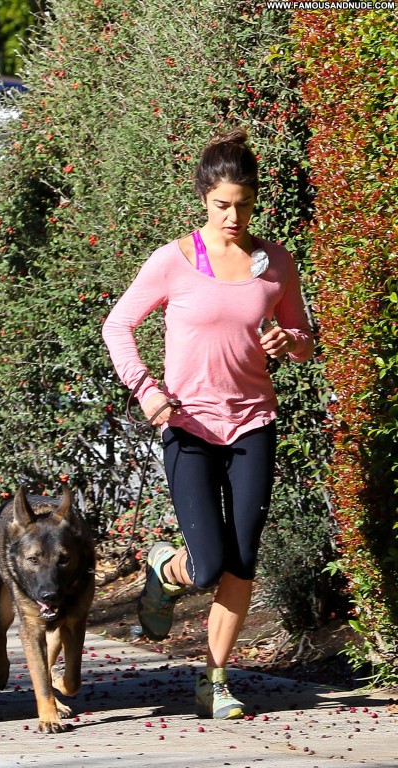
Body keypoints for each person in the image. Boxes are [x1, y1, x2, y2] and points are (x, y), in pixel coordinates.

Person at [102, 128, 314, 719]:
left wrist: (289, 340)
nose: (233, 217)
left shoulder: (275, 263)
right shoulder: (173, 261)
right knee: (206, 565)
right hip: (188, 427)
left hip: (252, 423)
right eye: (222, 205)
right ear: (203, 198)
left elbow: (303, 338)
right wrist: (146, 389)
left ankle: (214, 680)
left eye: (244, 205)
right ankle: (165, 568)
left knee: (242, 557)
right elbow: (117, 326)